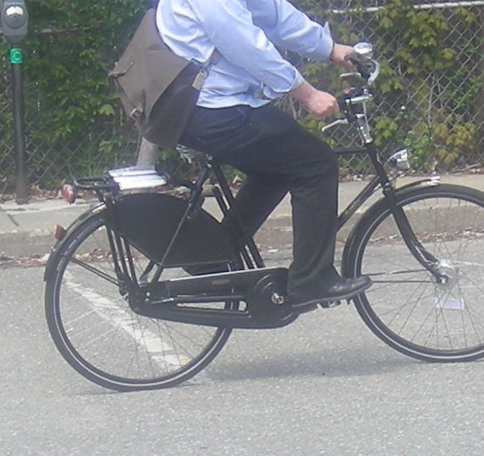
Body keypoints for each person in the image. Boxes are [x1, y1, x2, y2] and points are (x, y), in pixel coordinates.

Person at [155, 0, 371, 308]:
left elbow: (273, 13)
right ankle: (312, 280)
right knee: (316, 164)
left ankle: (212, 262)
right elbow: (244, 44)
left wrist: (330, 48)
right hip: (210, 108)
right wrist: (307, 93)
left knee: (279, 168)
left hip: (221, 103)